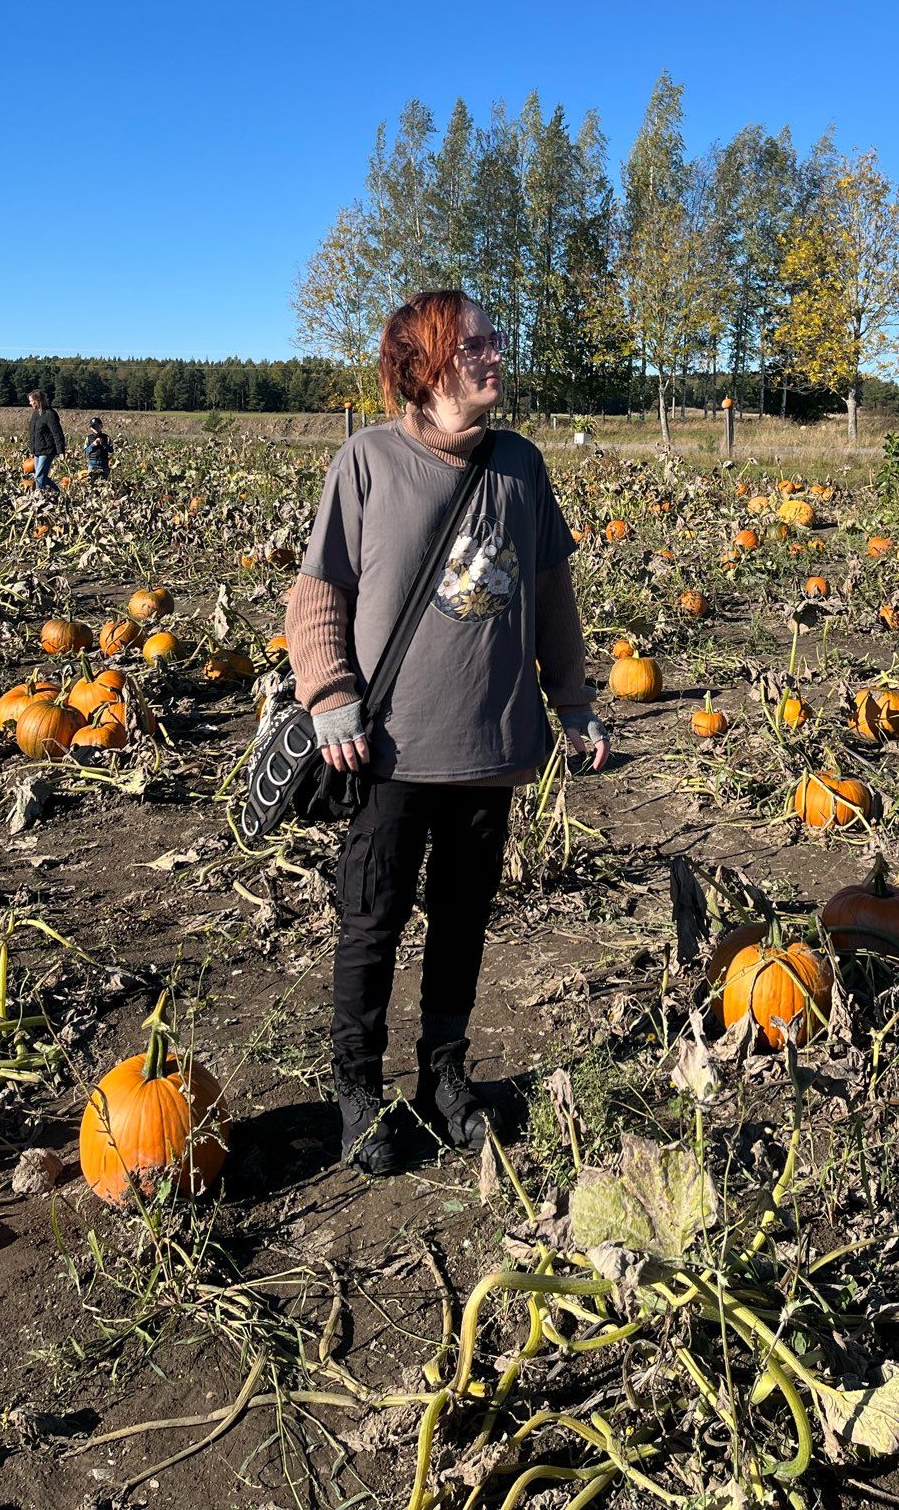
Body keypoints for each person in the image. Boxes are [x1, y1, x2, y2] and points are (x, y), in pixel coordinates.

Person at [285, 290, 610, 1174]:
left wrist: (573, 703)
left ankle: (444, 1077)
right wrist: (329, 695)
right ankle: (358, 1094)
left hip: (491, 744)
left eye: (495, 339)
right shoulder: (367, 462)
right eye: (474, 345)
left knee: (462, 918)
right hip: (385, 748)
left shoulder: (520, 466)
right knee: (372, 921)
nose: (494, 355)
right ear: (425, 364)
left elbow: (551, 597)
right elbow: (319, 594)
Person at [27, 391, 67, 495]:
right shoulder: (35, 414)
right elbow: (33, 432)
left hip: (47, 450)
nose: (30, 403)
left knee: (39, 476)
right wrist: (32, 448)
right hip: (37, 450)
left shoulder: (50, 414)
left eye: (32, 401)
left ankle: (40, 498)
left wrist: (61, 451)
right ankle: (58, 493)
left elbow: (57, 433)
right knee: (40, 475)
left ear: (38, 401)